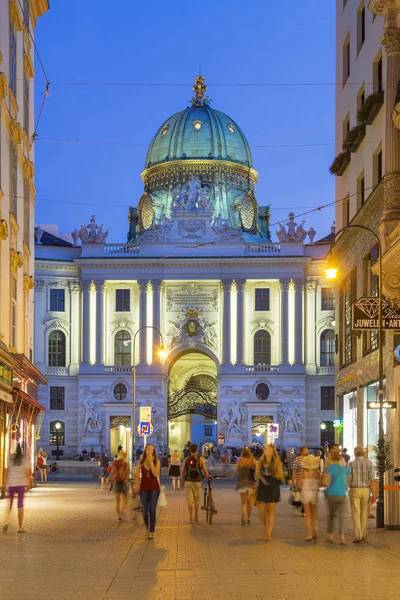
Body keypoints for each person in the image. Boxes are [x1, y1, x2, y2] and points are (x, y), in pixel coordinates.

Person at [255, 445, 284, 541]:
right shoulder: (261, 461)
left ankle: (268, 533)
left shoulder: (276, 462)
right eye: (265, 449)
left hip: (273, 486)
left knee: (270, 510)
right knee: (262, 510)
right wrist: (262, 478)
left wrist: (274, 475)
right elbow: (257, 473)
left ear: (272, 452)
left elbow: (281, 476)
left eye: (268, 449)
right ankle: (266, 527)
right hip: (263, 486)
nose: (266, 451)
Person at [3, 444, 31, 534]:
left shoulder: (11, 458)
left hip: (11, 483)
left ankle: (6, 521)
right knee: (20, 505)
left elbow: (7, 471)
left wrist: (4, 483)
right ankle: (20, 527)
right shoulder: (23, 459)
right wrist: (29, 483)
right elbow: (27, 473)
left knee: (10, 504)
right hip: (21, 484)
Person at [348, 446, 374, 543]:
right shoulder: (369, 463)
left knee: (356, 512)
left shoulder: (351, 464)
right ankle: (363, 534)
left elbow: (349, 477)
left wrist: (349, 486)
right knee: (364, 512)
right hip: (366, 490)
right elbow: (372, 480)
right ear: (363, 453)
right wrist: (374, 493)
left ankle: (357, 535)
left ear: (355, 454)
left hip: (355, 489)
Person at [324, 448, 348, 545]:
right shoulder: (345, 470)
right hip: (342, 494)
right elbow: (347, 483)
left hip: (331, 494)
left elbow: (326, 482)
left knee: (331, 515)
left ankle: (330, 536)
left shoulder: (329, 469)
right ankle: (342, 537)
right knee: (342, 517)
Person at [136, 444, 161, 539]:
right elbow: (137, 472)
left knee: (152, 510)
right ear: (145, 450)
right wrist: (136, 483)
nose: (150, 451)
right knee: (144, 510)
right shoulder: (141, 460)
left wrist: (151, 462)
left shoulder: (156, 461)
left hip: (154, 488)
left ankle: (152, 531)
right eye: (148, 449)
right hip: (143, 488)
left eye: (152, 449)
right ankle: (147, 527)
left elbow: (155, 474)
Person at [181, 443, 208, 524]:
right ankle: (196, 516)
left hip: (188, 482)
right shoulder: (201, 459)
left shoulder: (186, 459)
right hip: (197, 482)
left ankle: (191, 518)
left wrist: (182, 481)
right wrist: (207, 478)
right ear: (197, 450)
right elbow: (205, 470)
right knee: (197, 500)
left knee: (190, 501)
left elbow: (183, 472)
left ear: (190, 450)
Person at [299, 454, 321, 541]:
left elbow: (299, 484)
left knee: (307, 514)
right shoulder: (317, 472)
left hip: (305, 492)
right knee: (314, 513)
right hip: (314, 492)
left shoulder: (303, 472)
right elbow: (320, 483)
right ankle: (315, 529)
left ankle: (309, 534)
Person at [235, 447, 257, 525]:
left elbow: (237, 470)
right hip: (251, 483)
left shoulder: (240, 461)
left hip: (242, 483)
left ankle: (243, 517)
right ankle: (249, 518)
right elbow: (257, 470)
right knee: (249, 502)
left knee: (243, 503)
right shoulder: (252, 460)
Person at [110, 450, 130, 522]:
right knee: (125, 499)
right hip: (123, 482)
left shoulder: (115, 463)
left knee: (117, 501)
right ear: (124, 456)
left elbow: (112, 472)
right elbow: (127, 474)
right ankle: (122, 510)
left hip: (116, 482)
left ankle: (118, 517)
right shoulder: (126, 464)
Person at [290, 446, 308, 516]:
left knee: (304, 495)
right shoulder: (297, 459)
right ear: (301, 451)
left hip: (307, 480)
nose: (307, 451)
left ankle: (302, 509)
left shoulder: (308, 459)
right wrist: (293, 479)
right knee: (302, 495)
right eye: (306, 450)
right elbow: (294, 470)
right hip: (299, 480)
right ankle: (302, 510)